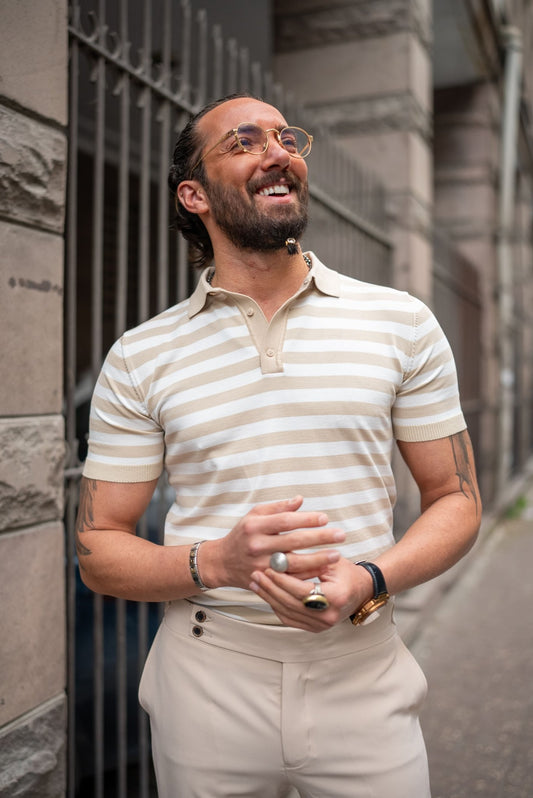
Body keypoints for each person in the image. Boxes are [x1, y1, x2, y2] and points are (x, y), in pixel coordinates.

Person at [77, 92, 481, 798]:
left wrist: (369, 579)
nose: (278, 152)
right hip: (206, 677)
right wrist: (220, 561)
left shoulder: (399, 323)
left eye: (287, 138)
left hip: (360, 664)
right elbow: (97, 550)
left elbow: (456, 499)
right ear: (193, 194)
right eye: (244, 142)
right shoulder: (141, 356)